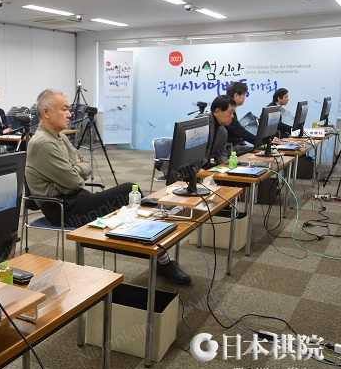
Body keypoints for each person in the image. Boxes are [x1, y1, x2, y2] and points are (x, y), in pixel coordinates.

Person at [26, 89, 191, 285]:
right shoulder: (43, 143)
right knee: (130, 191)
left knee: (135, 203)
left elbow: (85, 164)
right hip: (64, 210)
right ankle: (162, 260)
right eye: (64, 109)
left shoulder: (59, 137)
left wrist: (74, 169)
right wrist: (75, 170)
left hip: (77, 199)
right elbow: (75, 181)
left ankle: (159, 256)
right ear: (46, 112)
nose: (70, 114)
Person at [204, 95, 235, 167]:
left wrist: (227, 166)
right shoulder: (202, 123)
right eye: (230, 112)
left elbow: (221, 154)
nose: (232, 116)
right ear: (217, 111)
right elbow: (192, 154)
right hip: (194, 170)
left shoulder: (223, 132)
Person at [224, 82, 256, 148]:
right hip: (230, 146)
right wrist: (260, 141)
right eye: (243, 95)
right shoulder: (227, 111)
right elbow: (240, 131)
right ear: (236, 96)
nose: (245, 98)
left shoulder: (230, 108)